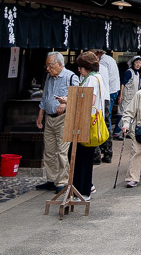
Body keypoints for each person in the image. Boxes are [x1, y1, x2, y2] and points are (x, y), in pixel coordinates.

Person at [36, 52, 79, 191]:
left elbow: (78, 96)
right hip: (49, 118)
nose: (48, 68)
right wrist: (40, 116)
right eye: (47, 65)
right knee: (49, 150)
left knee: (61, 151)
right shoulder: (49, 77)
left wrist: (66, 103)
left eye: (50, 65)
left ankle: (62, 181)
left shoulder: (71, 77)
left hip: (63, 118)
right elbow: (45, 97)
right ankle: (51, 179)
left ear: (60, 64)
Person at [71, 51, 104, 200]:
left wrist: (70, 102)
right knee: (85, 157)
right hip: (88, 120)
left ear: (86, 67)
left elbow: (89, 100)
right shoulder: (97, 78)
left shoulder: (92, 79)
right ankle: (84, 188)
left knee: (83, 157)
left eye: (80, 67)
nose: (79, 70)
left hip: (86, 122)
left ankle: (83, 190)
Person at [96, 49, 120, 163]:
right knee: (106, 121)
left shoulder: (102, 64)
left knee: (104, 122)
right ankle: (107, 152)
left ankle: (105, 151)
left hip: (106, 95)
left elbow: (104, 83)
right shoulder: (108, 60)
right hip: (110, 92)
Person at [117, 55, 141, 138]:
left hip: (133, 97)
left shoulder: (137, 73)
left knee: (131, 114)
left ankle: (126, 132)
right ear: (133, 63)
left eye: (140, 63)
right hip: (126, 96)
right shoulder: (129, 72)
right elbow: (123, 84)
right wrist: (121, 95)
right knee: (123, 113)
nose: (138, 64)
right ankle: (118, 132)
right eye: (136, 62)